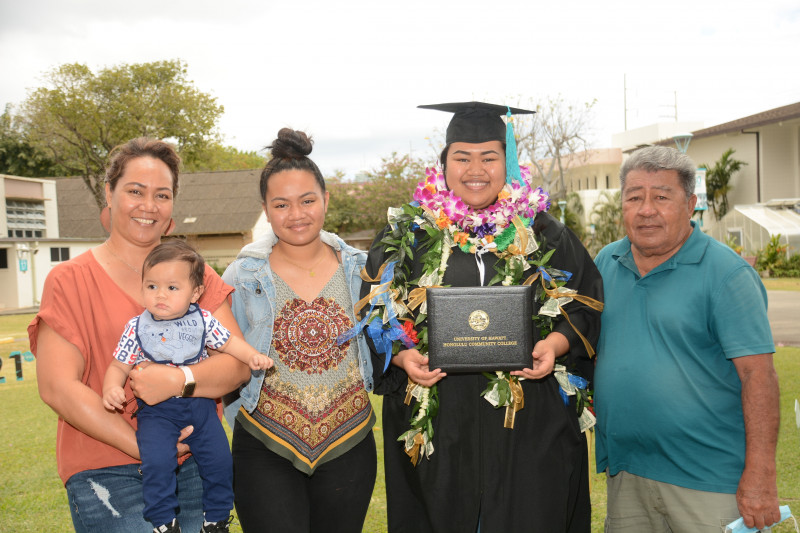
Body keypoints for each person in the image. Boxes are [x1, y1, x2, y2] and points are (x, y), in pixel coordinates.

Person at [360, 101, 603, 533]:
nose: (476, 168)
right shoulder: (408, 235)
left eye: (490, 156)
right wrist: (401, 357)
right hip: (440, 419)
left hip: (527, 421)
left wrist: (554, 345)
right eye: (462, 157)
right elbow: (376, 310)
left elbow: (583, 303)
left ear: (507, 163)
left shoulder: (542, 232)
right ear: (444, 163)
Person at [29, 137, 251, 533]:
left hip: (198, 461)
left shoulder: (197, 276)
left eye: (161, 195)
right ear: (109, 195)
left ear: (171, 211)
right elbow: (57, 387)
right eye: (135, 191)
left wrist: (178, 380)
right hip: (107, 468)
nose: (148, 205)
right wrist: (150, 450)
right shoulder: (70, 279)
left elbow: (236, 366)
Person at [594, 145, 780, 533]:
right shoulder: (604, 264)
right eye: (634, 197)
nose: (646, 209)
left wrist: (761, 476)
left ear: (691, 203)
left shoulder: (726, 274)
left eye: (662, 197)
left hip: (708, 481)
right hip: (627, 474)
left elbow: (758, 377)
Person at [221, 128, 377, 533]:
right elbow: (221, 351)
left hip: (349, 441)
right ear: (266, 210)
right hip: (264, 442)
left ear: (326, 199)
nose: (297, 214)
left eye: (307, 200)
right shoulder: (241, 276)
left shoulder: (365, 271)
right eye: (281, 204)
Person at [102, 240, 273, 533]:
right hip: (157, 413)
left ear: (195, 293)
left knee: (220, 461)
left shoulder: (203, 321)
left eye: (172, 287)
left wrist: (253, 356)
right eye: (151, 286)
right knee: (156, 462)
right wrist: (111, 388)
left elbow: (231, 343)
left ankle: (216, 517)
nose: (160, 295)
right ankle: (162, 520)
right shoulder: (137, 327)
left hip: (200, 407)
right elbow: (119, 365)